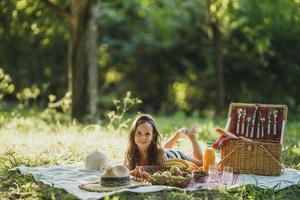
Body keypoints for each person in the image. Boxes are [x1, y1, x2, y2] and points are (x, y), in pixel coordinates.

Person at [124, 114, 203, 171]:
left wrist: (144, 168)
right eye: (139, 133)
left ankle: (192, 137)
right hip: (164, 152)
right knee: (164, 148)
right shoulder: (131, 152)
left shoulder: (159, 154)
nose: (143, 138)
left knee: (201, 163)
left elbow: (163, 169)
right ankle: (177, 135)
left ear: (153, 136)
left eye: (147, 134)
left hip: (173, 156)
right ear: (133, 134)